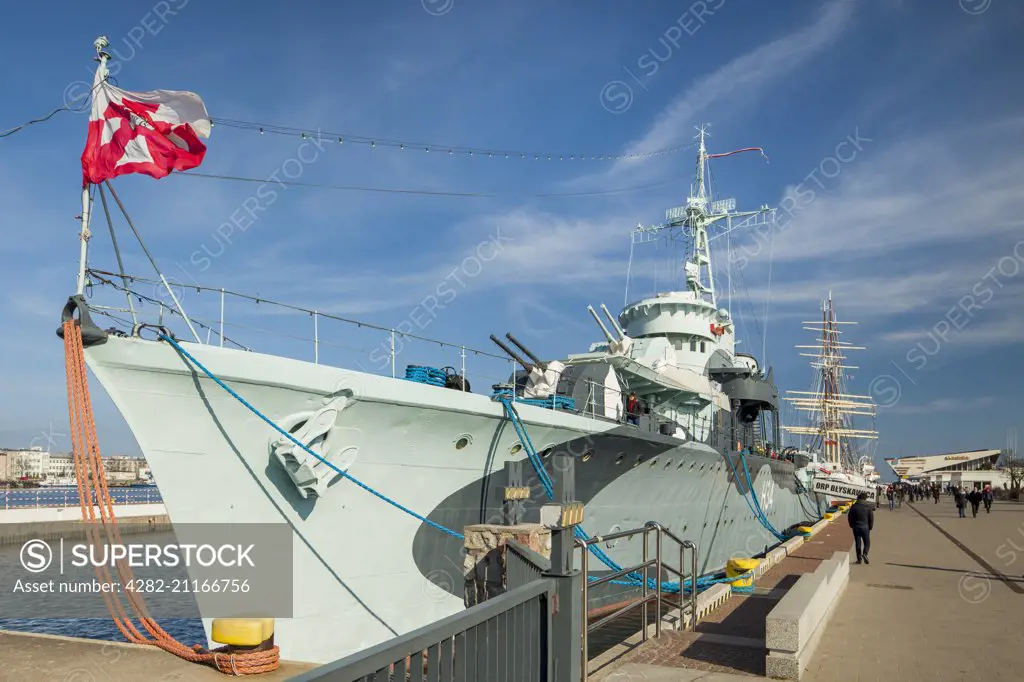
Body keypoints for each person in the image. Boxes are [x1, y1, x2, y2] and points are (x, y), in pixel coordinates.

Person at [848, 492, 874, 564]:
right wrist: (870, 527)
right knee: (867, 543)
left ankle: (859, 559)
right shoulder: (868, 507)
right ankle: (865, 554)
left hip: (856, 527)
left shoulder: (854, 506)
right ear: (865, 498)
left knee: (858, 543)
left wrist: (851, 525)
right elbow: (871, 518)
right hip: (865, 527)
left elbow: (849, 516)